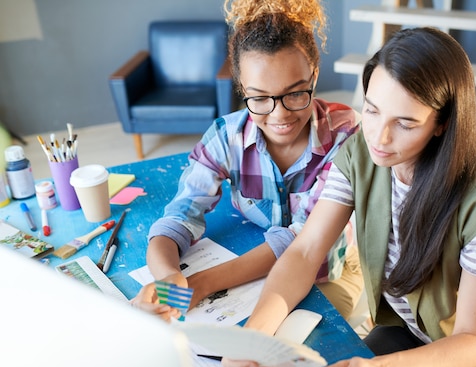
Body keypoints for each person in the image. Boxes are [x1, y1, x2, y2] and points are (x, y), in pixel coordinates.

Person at [222, 27, 476, 367]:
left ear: (442, 123)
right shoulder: (362, 151)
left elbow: (473, 340)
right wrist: (257, 334)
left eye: (406, 123)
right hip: (406, 333)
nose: (379, 135)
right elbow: (306, 250)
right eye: (373, 110)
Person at [130, 0, 363, 320]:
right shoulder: (226, 136)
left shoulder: (345, 135)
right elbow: (180, 214)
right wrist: (168, 276)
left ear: (314, 76)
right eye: (260, 98)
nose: (280, 115)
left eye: (296, 93)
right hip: (249, 269)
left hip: (329, 272)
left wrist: (201, 284)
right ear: (242, 89)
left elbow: (303, 241)